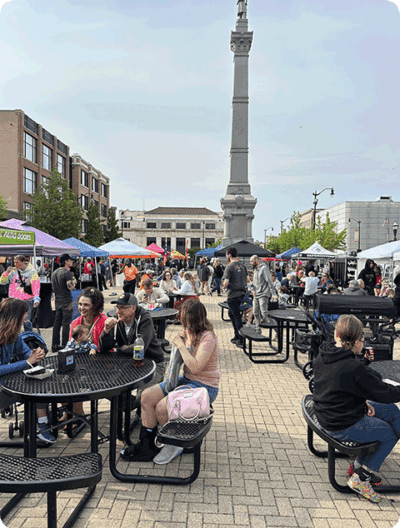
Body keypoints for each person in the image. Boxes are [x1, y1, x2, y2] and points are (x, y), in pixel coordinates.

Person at [313, 314, 400, 503]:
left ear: (336, 335)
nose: (364, 342)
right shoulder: (352, 367)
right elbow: (384, 392)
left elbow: (341, 388)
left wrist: (362, 402)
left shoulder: (325, 353)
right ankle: (362, 477)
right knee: (389, 433)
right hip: (340, 423)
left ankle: (360, 465)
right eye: (363, 339)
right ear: (356, 342)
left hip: (329, 412)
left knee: (392, 411)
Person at [120, 298, 219, 463]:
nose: (180, 321)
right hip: (186, 381)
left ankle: (174, 443)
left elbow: (195, 367)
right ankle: (147, 446)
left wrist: (181, 345)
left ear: (192, 319)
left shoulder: (208, 337)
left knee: (161, 408)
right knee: (147, 396)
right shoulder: (190, 332)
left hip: (204, 386)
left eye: (183, 318)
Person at [0, 298, 55, 444]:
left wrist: (36, 354)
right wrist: (26, 362)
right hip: (2, 388)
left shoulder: (15, 334)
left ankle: (41, 426)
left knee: (40, 384)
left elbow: (26, 353)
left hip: (7, 383)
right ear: (15, 316)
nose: (26, 316)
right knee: (35, 388)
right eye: (24, 313)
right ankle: (40, 427)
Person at [99, 292, 165, 411]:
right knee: (106, 388)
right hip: (129, 364)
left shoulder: (145, 319)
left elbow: (139, 347)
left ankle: (139, 406)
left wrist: (120, 349)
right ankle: (130, 405)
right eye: (117, 308)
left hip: (153, 364)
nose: (118, 311)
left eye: (123, 308)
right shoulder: (117, 320)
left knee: (144, 395)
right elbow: (104, 348)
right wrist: (106, 330)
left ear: (134, 308)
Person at [67, 288, 107, 421]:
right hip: (80, 364)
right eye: (80, 304)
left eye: (86, 305)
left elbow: (107, 347)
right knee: (61, 379)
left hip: (100, 364)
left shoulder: (103, 322)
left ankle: (75, 416)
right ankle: (71, 412)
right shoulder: (75, 323)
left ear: (95, 306)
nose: (81, 308)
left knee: (76, 380)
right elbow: (70, 345)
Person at [0, 255, 40, 332]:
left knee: (26, 320)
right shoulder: (12, 271)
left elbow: (35, 285)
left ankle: (29, 337)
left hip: (27, 299)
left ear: (23, 262)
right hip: (14, 299)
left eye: (17, 262)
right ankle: (13, 338)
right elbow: (2, 282)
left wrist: (36, 298)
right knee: (13, 320)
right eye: (14, 262)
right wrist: (7, 272)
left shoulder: (32, 271)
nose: (15, 264)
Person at [51, 253, 76, 353]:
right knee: (66, 324)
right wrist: (74, 281)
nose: (71, 262)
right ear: (66, 261)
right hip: (66, 301)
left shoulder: (55, 272)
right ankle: (65, 345)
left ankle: (54, 345)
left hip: (58, 300)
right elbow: (71, 287)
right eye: (70, 260)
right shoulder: (67, 272)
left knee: (57, 323)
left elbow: (52, 287)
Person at [223, 247, 248, 346]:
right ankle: (236, 335)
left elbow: (226, 283)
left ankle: (241, 339)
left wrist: (223, 286)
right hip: (242, 294)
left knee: (237, 317)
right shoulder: (243, 266)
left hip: (233, 295)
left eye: (226, 255)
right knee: (231, 313)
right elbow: (247, 280)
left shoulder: (229, 267)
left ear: (229, 255)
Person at [249, 255, 275, 335]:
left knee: (264, 314)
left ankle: (277, 330)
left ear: (256, 260)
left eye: (251, 261)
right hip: (256, 294)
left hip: (263, 294)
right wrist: (251, 285)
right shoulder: (255, 269)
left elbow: (269, 281)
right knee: (255, 312)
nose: (250, 263)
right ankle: (258, 329)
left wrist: (273, 293)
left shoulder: (263, 269)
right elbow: (256, 281)